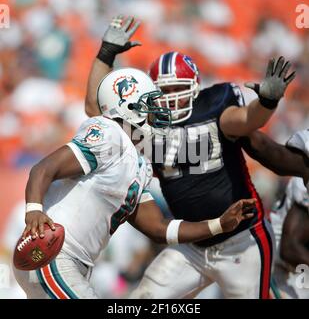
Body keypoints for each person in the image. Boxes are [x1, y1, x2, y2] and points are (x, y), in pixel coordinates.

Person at [84, 16, 296, 299]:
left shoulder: (214, 106)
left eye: (177, 89)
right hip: (192, 246)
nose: (170, 97)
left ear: (194, 87)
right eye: (164, 90)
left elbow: (246, 119)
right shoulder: (146, 121)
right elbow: (94, 109)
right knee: (142, 299)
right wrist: (106, 54)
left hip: (242, 241)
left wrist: (267, 102)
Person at [13, 67, 255, 299]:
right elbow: (45, 168)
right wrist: (33, 210)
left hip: (74, 263)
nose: (158, 110)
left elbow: (159, 229)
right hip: (54, 252)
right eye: (150, 103)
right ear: (129, 107)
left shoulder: (139, 162)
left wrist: (218, 225)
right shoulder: (108, 132)